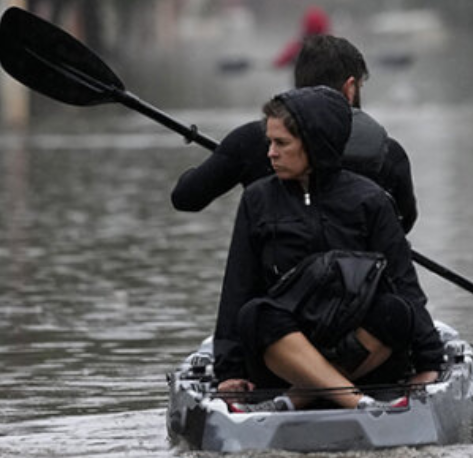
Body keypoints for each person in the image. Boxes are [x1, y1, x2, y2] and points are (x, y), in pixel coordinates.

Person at [213, 86, 442, 411]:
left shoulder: (371, 200)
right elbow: (237, 287)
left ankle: (297, 398)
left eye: (281, 143)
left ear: (314, 144)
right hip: (287, 349)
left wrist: (429, 362)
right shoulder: (257, 200)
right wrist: (228, 371)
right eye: (270, 142)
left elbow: (406, 284)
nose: (270, 154)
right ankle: (356, 401)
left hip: (359, 346)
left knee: (395, 310)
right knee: (254, 314)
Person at [170, 34, 419, 233]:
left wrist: (223, 160)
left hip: (277, 291)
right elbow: (404, 223)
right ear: (350, 89)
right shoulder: (389, 153)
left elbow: (185, 198)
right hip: (361, 289)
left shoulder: (250, 142)